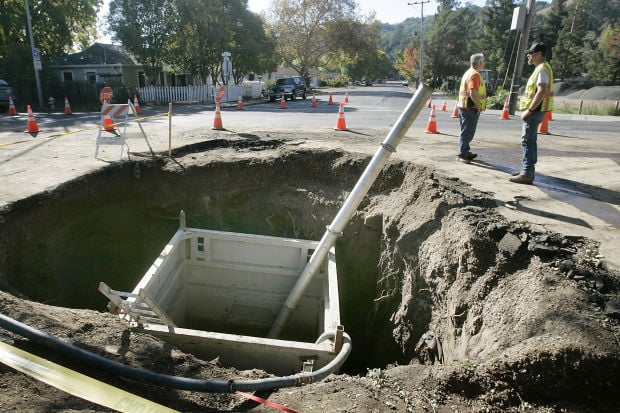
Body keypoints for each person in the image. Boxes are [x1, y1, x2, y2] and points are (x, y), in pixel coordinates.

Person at [510, 42, 554, 184]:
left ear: (539, 54)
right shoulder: (542, 68)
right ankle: (528, 170)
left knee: (527, 141)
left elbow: (541, 91)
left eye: (531, 53)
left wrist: (529, 110)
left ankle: (527, 173)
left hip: (534, 111)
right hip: (538, 110)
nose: (529, 55)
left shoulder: (541, 69)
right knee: (531, 141)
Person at [456, 53, 487, 164]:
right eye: (483, 61)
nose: (484, 63)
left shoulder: (468, 73)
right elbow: (473, 92)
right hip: (470, 108)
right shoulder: (475, 75)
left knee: (466, 131)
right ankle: (462, 154)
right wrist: (478, 105)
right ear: (479, 63)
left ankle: (465, 151)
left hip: (464, 106)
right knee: (468, 132)